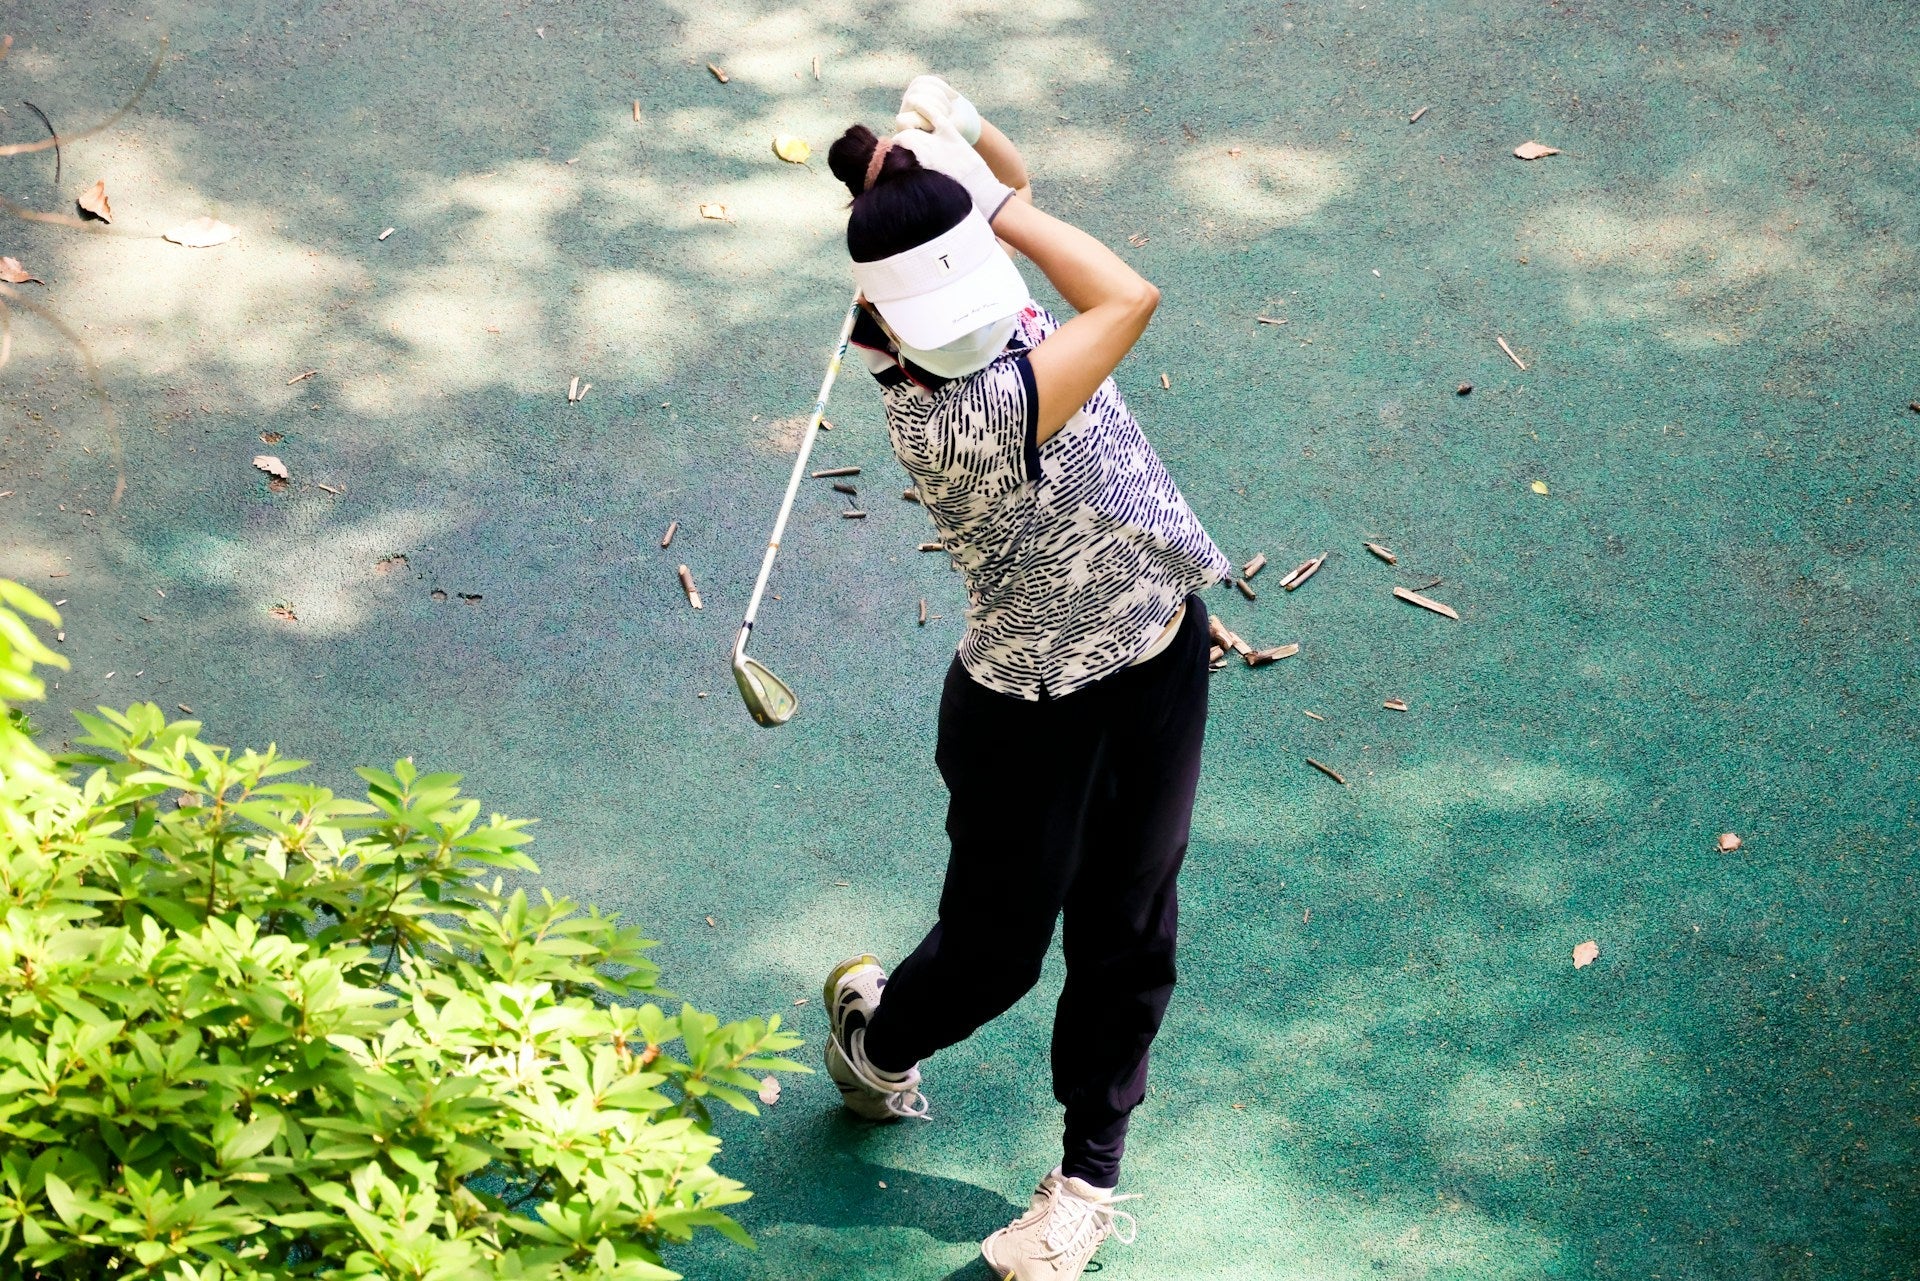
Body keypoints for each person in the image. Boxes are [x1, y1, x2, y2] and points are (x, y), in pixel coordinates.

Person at [818, 75, 1231, 1281]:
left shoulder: (973, 324)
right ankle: (877, 1037)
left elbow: (1015, 186)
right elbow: (1126, 290)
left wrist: (961, 127)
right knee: (995, 954)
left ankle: (1086, 1183)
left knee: (1129, 933)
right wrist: (986, 206)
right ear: (894, 324)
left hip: (1158, 661)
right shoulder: (965, 413)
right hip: (1029, 716)